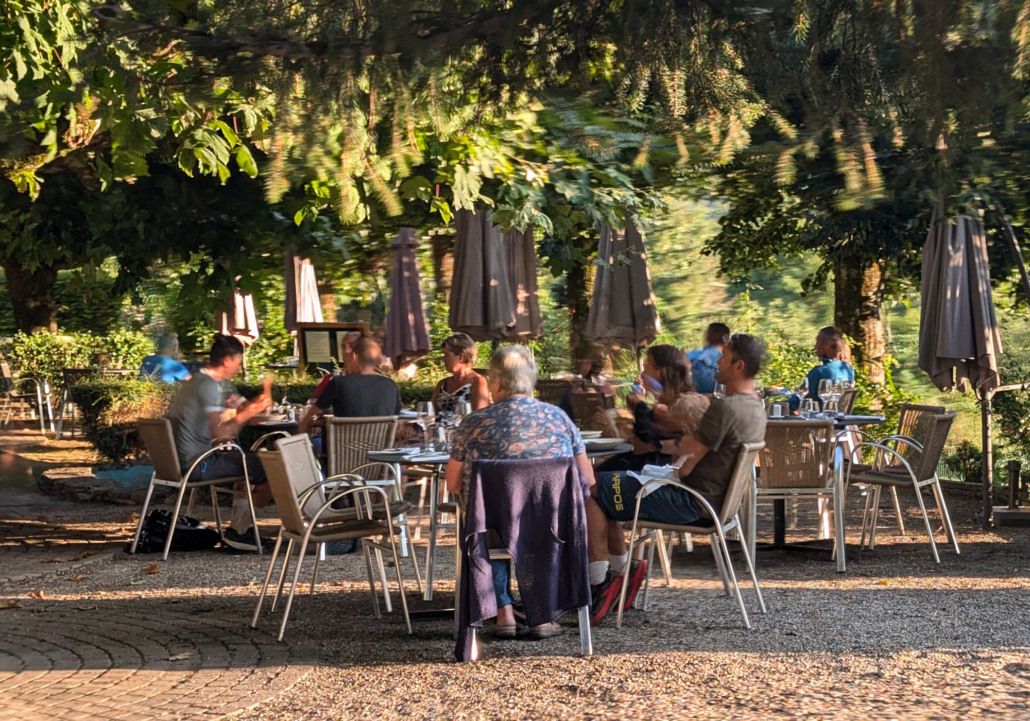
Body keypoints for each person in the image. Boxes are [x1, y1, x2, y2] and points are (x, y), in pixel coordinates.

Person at [586, 333, 768, 625]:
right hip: (716, 505)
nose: (717, 361)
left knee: (587, 490)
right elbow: (682, 449)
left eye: (725, 356)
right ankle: (620, 575)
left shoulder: (725, 408)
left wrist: (676, 444)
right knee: (604, 489)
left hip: (689, 502)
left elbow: (683, 464)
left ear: (738, 365)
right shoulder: (755, 407)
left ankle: (601, 584)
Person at [446, 345, 596, 639]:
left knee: (487, 513)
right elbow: (587, 478)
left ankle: (504, 612)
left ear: (497, 382)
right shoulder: (559, 419)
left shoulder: (473, 424)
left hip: (493, 527)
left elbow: (452, 485)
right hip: (551, 527)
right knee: (534, 517)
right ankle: (542, 616)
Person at [166, 335, 272, 551]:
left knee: (245, 460)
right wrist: (249, 412)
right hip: (198, 464)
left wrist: (252, 406)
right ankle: (240, 531)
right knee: (272, 464)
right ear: (227, 361)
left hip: (182, 460)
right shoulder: (208, 386)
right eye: (238, 362)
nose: (239, 367)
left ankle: (239, 529)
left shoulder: (200, 380)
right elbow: (220, 433)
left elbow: (236, 403)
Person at [595, 345, 702, 474]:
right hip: (649, 465)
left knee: (592, 480)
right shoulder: (665, 399)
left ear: (663, 371)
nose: (642, 373)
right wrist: (636, 404)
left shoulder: (683, 403)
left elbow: (646, 437)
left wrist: (640, 404)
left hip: (658, 471)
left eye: (647, 367)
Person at [298, 338, 402, 433]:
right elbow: (397, 422)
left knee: (316, 441)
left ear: (354, 356)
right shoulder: (390, 385)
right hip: (381, 451)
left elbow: (309, 418)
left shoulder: (338, 383)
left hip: (342, 451)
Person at [790, 326, 855, 411]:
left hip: (821, 420)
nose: (815, 347)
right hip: (841, 419)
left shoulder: (819, 372)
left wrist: (777, 405)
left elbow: (797, 401)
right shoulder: (848, 369)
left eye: (817, 342)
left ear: (826, 344)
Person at [430, 333, 489, 423]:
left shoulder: (477, 382)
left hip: (464, 434)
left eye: (447, 355)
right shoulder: (442, 383)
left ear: (461, 357)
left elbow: (480, 419)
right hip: (438, 434)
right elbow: (430, 413)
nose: (443, 359)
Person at [688, 322, 729, 395]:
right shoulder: (733, 359)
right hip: (722, 396)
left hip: (698, 397)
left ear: (708, 336)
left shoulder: (695, 356)